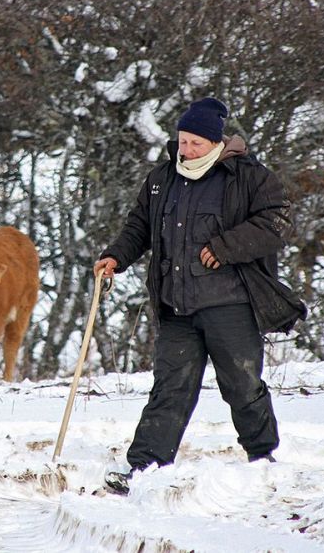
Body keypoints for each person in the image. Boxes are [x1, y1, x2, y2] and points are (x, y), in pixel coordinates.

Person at [95, 97, 306, 495]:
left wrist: (226, 246)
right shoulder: (162, 178)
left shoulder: (249, 177)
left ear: (216, 143)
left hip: (231, 305)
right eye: (182, 141)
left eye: (195, 143)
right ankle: (145, 468)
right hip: (177, 306)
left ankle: (263, 459)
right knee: (169, 388)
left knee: (242, 385)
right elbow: (139, 226)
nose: (186, 150)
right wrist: (115, 257)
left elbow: (276, 222)